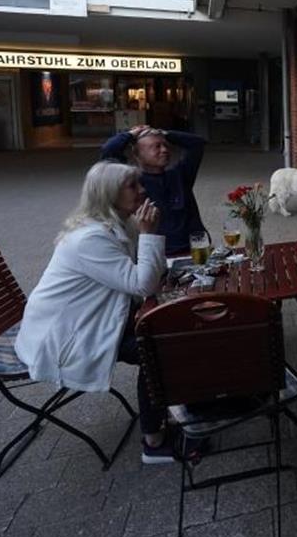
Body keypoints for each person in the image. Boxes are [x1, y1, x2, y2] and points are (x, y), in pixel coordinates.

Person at [14, 161, 181, 464]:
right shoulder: (90, 238)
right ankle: (154, 440)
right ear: (108, 194)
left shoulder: (112, 224)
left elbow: (135, 277)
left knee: (168, 327)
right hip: (68, 338)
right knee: (156, 347)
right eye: (132, 186)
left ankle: (177, 405)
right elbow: (142, 284)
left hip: (91, 321)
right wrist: (149, 233)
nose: (142, 190)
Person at [101, 125, 206, 256]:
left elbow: (197, 143)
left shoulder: (180, 175)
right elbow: (108, 151)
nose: (164, 150)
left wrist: (165, 133)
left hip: (195, 248)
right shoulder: (131, 182)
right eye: (156, 146)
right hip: (157, 253)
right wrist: (131, 134)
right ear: (137, 154)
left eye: (165, 145)